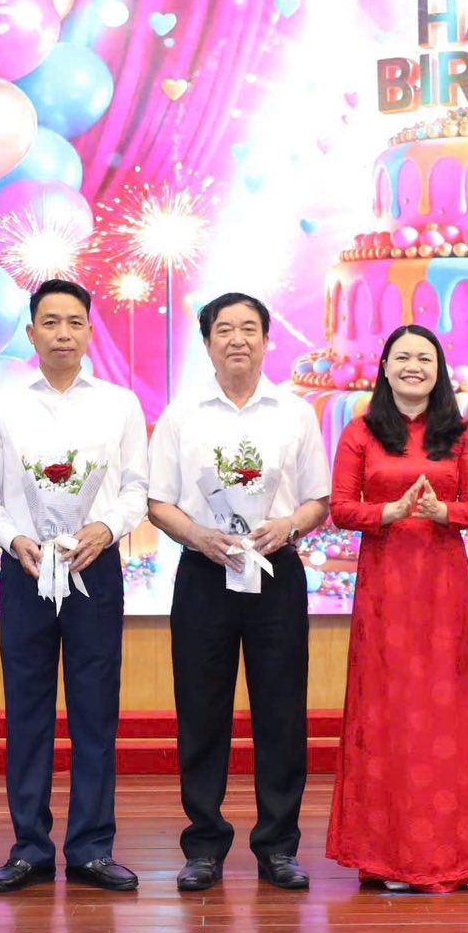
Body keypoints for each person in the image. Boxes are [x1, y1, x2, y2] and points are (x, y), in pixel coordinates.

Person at [0, 280, 149, 894]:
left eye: (73, 322)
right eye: (50, 322)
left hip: (94, 567)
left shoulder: (120, 404)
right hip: (25, 570)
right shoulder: (1, 406)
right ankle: (29, 848)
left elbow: (136, 488)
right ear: (31, 333)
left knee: (96, 713)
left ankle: (92, 848)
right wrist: (13, 538)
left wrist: (105, 529)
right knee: (27, 712)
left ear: (90, 332)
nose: (62, 333)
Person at [147, 293, 331, 892]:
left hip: (276, 572)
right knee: (202, 712)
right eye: (224, 329)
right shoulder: (182, 414)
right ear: (207, 343)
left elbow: (319, 499)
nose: (237, 340)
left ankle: (278, 846)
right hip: (205, 573)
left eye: (249, 328)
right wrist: (199, 537)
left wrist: (290, 525)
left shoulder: (294, 412)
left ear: (267, 340)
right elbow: (158, 502)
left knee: (281, 712)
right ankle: (204, 845)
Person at [326, 324, 468, 893]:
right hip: (385, 589)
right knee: (387, 712)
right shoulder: (361, 431)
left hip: (443, 589)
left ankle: (447, 854)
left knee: (446, 714)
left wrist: (444, 513)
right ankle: (385, 855)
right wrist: (389, 513)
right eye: (402, 357)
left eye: (425, 357)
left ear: (438, 369)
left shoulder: (460, 433)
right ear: (385, 367)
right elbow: (342, 508)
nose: (413, 366)